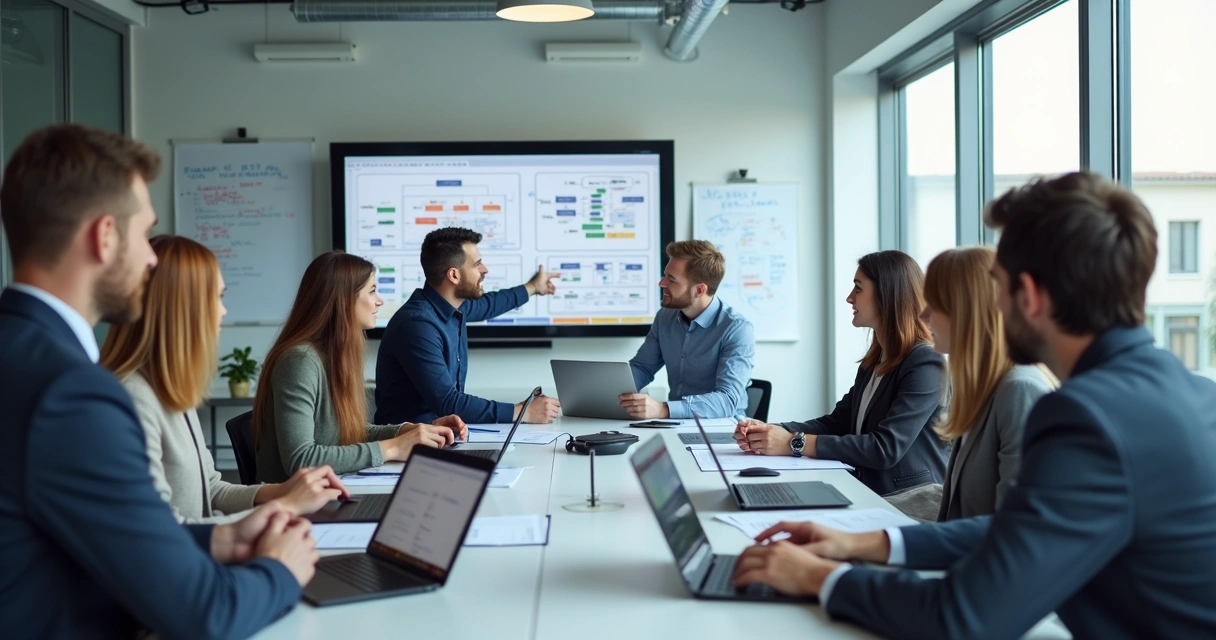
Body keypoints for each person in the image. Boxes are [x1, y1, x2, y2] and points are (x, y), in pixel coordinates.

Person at [731, 172, 1216, 638]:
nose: (991, 307)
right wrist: (860, 542)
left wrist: (818, 577)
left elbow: (964, 617)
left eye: (997, 286)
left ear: (1028, 296)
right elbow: (1015, 530)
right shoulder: (1194, 394)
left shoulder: (1083, 418)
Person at [0, 123, 316, 638]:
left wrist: (220, 541)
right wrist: (281, 568)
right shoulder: (73, 393)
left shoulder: (21, 355)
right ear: (104, 236)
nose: (150, 260)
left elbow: (79, 542)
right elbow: (204, 613)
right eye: (143, 233)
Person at [100, 235, 350, 524]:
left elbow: (212, 489)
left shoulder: (171, 393)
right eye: (217, 297)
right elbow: (164, 530)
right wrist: (283, 508)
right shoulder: (132, 399)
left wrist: (283, 492)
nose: (223, 311)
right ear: (182, 308)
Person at [733, 250, 949, 496]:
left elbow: (885, 448)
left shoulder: (925, 363)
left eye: (858, 288)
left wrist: (793, 442)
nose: (849, 298)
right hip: (866, 491)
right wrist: (768, 431)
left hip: (907, 501)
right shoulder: (874, 362)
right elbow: (836, 423)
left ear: (887, 295)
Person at [254, 251, 466, 482]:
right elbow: (300, 459)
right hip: (296, 500)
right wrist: (394, 447)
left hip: (330, 489)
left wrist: (409, 432)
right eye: (372, 291)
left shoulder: (333, 356)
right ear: (343, 300)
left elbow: (346, 432)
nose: (379, 301)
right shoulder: (300, 361)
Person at [374, 227, 562, 425]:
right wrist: (522, 412)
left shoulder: (453, 307)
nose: (484, 270)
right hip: (409, 441)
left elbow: (490, 304)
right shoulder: (417, 325)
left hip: (441, 434)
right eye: (477, 264)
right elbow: (448, 403)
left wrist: (533, 287)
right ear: (454, 275)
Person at [921, 246, 1053, 520]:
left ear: (965, 312)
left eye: (933, 304)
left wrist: (889, 540)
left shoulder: (1020, 390)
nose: (923, 315)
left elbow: (1013, 525)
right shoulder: (981, 389)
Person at [618, 240, 755, 419]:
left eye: (671, 279)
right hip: (675, 423)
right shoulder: (665, 317)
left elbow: (727, 401)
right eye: (665, 275)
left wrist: (663, 409)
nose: (662, 283)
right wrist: (609, 392)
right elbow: (643, 367)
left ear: (699, 290)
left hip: (721, 426)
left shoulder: (737, 329)